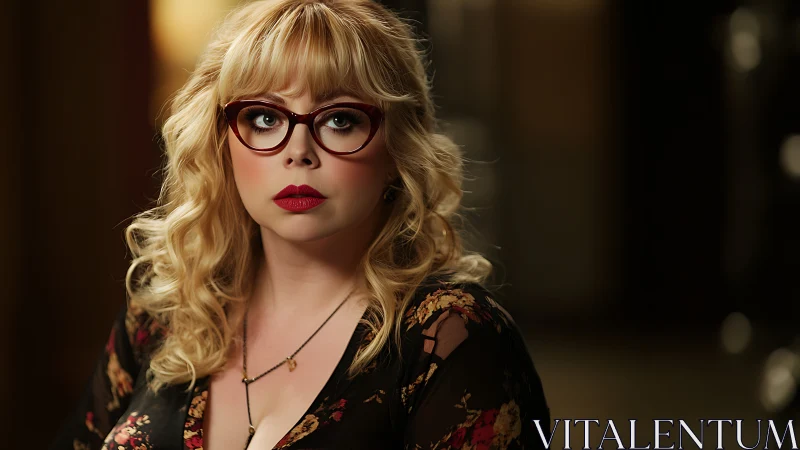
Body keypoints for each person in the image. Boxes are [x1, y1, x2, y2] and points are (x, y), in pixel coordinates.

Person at [50, 0, 550, 448]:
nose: (298, 152)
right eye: (265, 118)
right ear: (221, 141)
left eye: (340, 119)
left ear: (399, 148)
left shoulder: (451, 337)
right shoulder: (164, 315)